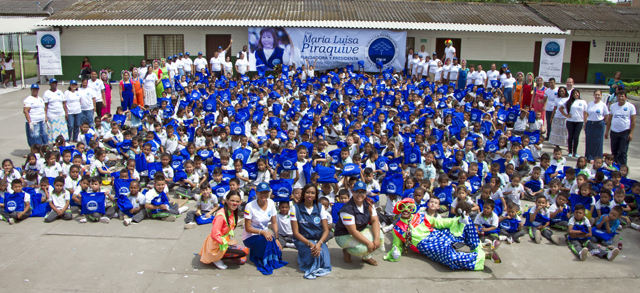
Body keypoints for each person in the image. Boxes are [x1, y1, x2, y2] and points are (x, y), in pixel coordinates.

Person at [383, 198, 501, 270]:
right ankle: (484, 255)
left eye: (408, 207)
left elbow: (439, 222)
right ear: (399, 210)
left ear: (411, 209)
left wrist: (458, 220)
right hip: (427, 246)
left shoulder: (421, 216)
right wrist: (395, 250)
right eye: (402, 208)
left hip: (438, 235)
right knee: (448, 258)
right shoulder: (397, 229)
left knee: (466, 220)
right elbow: (397, 244)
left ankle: (478, 247)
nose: (405, 210)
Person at [242, 182, 288, 275]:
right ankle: (260, 256)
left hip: (265, 235)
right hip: (251, 236)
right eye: (261, 192)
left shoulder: (271, 203)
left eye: (266, 192)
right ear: (257, 193)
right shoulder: (250, 206)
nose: (264, 195)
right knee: (267, 241)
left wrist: (277, 238)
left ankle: (257, 252)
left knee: (278, 251)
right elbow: (248, 228)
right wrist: (262, 232)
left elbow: (274, 222)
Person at [334, 181, 383, 266]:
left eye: (362, 192)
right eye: (357, 191)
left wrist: (376, 239)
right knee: (363, 247)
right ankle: (346, 250)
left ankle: (367, 257)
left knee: (380, 236)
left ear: (365, 193)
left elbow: (375, 221)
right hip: (344, 234)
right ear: (352, 192)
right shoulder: (347, 210)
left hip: (360, 230)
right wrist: (368, 243)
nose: (360, 194)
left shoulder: (368, 204)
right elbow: (352, 231)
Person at [290, 184, 332, 279]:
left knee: (325, 262)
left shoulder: (320, 207)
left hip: (318, 240)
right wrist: (310, 244)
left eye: (313, 193)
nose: (310, 195)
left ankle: (306, 255)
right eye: (307, 192)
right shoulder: (295, 208)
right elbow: (296, 233)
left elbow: (326, 230)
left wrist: (319, 243)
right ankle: (302, 255)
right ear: (303, 194)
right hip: (303, 240)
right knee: (315, 255)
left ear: (316, 195)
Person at [199, 191, 249, 269]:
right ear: (226, 200)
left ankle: (222, 255)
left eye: (237, 201)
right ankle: (216, 258)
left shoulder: (232, 212)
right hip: (216, 245)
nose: (234, 203)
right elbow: (214, 235)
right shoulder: (221, 215)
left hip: (223, 243)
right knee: (245, 251)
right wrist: (229, 242)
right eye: (232, 200)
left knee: (242, 260)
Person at [605, 90, 636, 166]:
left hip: (625, 132)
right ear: (617, 97)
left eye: (622, 96)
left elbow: (633, 120)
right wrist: (607, 131)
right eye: (619, 96)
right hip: (614, 131)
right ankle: (614, 167)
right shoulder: (613, 106)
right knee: (614, 151)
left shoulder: (630, 107)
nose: (621, 98)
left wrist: (631, 133)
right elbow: (609, 119)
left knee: (623, 151)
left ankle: (622, 168)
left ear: (626, 97)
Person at [559, 89, 587, 158]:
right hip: (570, 121)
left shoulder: (583, 102)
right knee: (570, 136)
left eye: (577, 93)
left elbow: (585, 113)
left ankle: (575, 152)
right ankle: (570, 152)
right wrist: (566, 115)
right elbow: (560, 108)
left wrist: (585, 122)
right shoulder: (569, 102)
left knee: (576, 137)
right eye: (574, 94)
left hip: (579, 121)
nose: (575, 95)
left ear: (579, 94)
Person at [584, 90, 609, 162]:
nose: (597, 96)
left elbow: (606, 115)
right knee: (589, 140)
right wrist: (586, 122)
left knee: (597, 141)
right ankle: (588, 156)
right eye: (596, 95)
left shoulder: (603, 105)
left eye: (599, 95)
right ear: (593, 95)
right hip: (590, 123)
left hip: (599, 124)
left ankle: (595, 157)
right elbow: (586, 113)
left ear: (601, 96)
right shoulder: (590, 104)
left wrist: (604, 122)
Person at [43, 79, 69, 143]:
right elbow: (45, 106)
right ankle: (54, 143)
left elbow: (64, 103)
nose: (54, 84)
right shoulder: (46, 93)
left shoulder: (60, 92)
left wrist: (66, 113)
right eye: (52, 83)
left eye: (55, 83)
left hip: (61, 114)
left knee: (62, 130)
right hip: (52, 115)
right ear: (50, 84)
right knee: (53, 130)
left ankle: (62, 142)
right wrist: (45, 116)